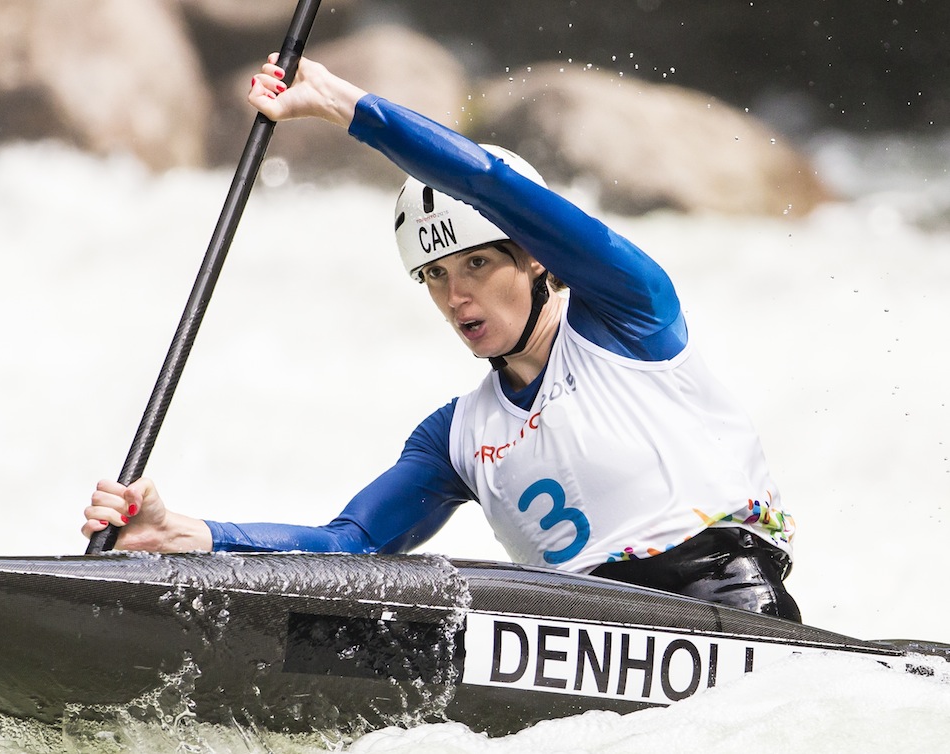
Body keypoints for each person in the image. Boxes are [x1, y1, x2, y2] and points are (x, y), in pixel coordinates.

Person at [83, 55, 802, 622]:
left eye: (479, 264)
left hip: (728, 612)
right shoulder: (454, 437)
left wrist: (346, 106)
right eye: (434, 276)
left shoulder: (630, 312)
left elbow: (490, 184)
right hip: (579, 639)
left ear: (538, 257)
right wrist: (181, 533)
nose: (456, 297)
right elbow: (351, 546)